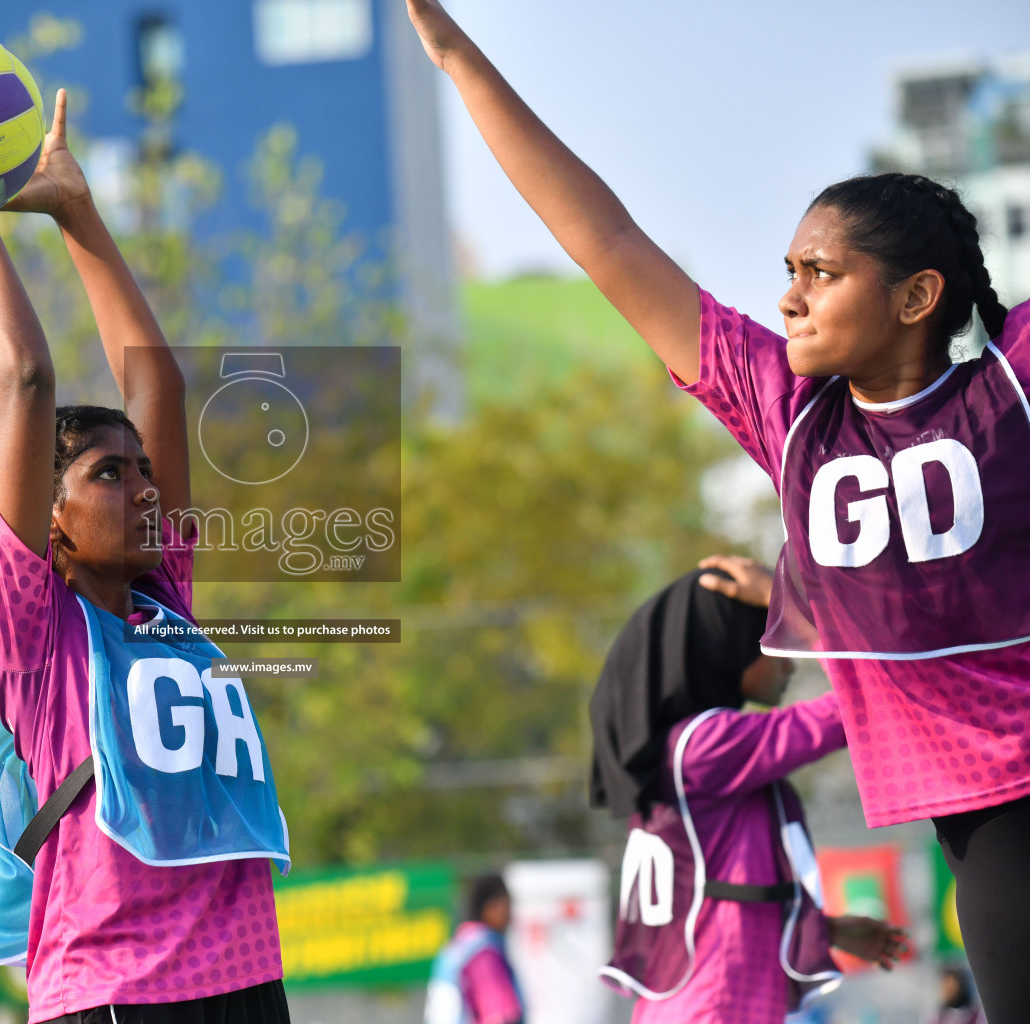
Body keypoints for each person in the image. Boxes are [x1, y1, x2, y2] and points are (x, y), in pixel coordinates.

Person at [403, 2, 1029, 1017]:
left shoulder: (1010, 384)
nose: (789, 296)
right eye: (787, 271)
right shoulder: (789, 415)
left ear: (917, 298)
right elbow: (605, 238)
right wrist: (453, 53)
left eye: (820, 273)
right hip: (970, 813)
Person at [0, 92, 291, 1023]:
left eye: (144, 470)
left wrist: (74, 210)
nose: (145, 488)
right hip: (114, 994)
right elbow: (24, 376)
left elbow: (157, 384)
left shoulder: (162, 596)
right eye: (109, 474)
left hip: (247, 982)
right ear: (48, 522)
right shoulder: (30, 629)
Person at [589, 556, 907, 1023]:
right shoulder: (708, 747)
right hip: (715, 1003)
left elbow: (722, 889)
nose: (788, 656)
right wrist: (801, 610)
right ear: (729, 645)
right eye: (774, 634)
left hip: (704, 1001)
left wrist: (824, 929)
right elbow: (863, 698)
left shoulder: (687, 752)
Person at [425, 874, 525, 1024]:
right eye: (506, 906)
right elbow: (499, 1016)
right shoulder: (484, 954)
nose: (510, 916)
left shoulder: (460, 945)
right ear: (491, 907)